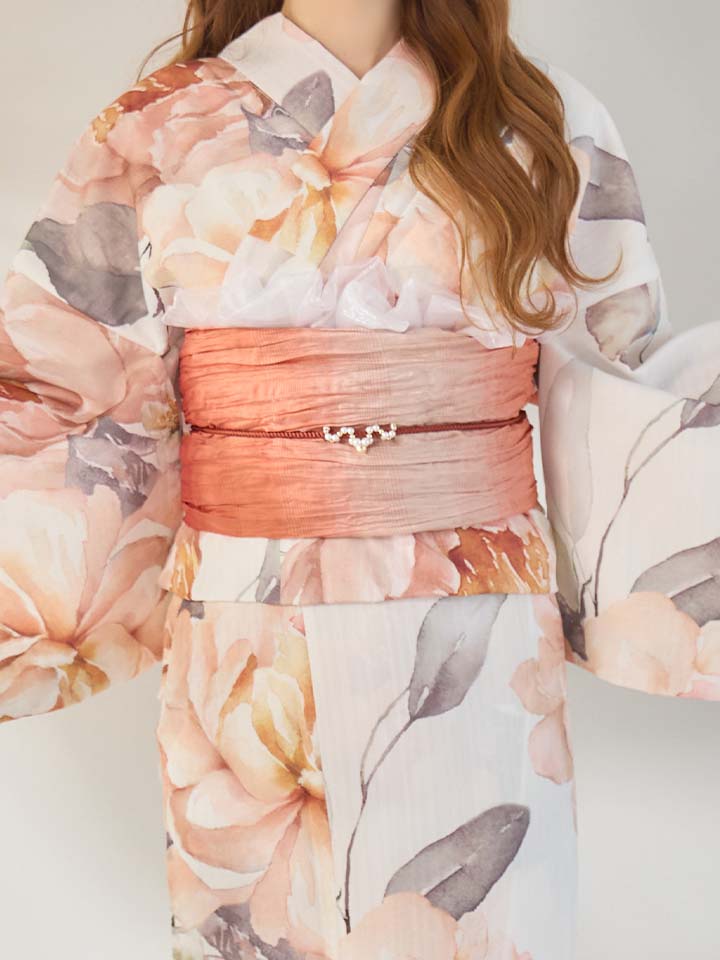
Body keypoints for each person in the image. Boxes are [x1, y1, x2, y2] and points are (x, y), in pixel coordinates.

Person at [1, 1, 718, 958]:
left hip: (477, 640)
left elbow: (618, 378)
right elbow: (64, 395)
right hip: (246, 640)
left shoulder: (543, 122)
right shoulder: (158, 128)